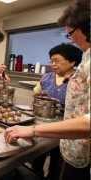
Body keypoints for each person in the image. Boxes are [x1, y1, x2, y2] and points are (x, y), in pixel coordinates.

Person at [5, 0, 90, 179]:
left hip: (82, 147)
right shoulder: (86, 58)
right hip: (71, 143)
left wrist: (33, 131)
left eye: (71, 33)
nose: (71, 38)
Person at [32, 43, 82, 179]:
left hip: (66, 128)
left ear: (72, 61)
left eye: (57, 61)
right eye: (51, 61)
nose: (53, 64)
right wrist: (37, 94)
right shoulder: (47, 77)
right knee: (37, 156)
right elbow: (37, 92)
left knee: (57, 162)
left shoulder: (78, 80)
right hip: (43, 124)